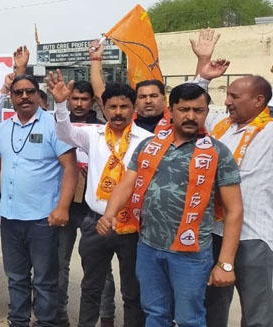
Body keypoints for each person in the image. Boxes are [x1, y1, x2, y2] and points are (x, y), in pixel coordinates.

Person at [100, 83, 243, 326]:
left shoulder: (217, 152)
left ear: (207, 112)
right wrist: (109, 213)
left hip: (191, 253)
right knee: (155, 313)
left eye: (198, 110)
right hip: (148, 247)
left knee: (189, 318)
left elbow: (234, 210)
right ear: (171, 110)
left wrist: (225, 263)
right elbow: (126, 184)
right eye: (184, 109)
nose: (191, 116)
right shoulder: (149, 146)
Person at [47, 71, 150, 327]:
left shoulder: (148, 141)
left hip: (132, 226)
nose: (118, 112)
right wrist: (60, 104)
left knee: (132, 290)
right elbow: (64, 133)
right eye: (112, 107)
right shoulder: (92, 135)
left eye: (124, 107)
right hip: (95, 223)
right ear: (103, 107)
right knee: (91, 286)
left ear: (134, 108)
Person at [0, 73, 78, 327]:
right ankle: (18, 321)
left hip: (43, 219)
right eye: (18, 92)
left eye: (30, 91)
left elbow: (70, 167)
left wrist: (63, 207)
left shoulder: (53, 125)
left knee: (45, 280)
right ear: (11, 98)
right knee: (16, 277)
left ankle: (45, 322)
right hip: (10, 216)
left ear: (38, 94)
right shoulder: (5, 128)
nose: (24, 96)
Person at [197, 64, 273, 326]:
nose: (227, 101)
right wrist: (203, 77)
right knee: (212, 306)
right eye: (227, 95)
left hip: (253, 237)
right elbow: (190, 104)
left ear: (259, 101)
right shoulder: (221, 125)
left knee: (257, 312)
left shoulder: (270, 133)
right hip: (214, 232)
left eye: (234, 96)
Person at [53, 80, 117, 327]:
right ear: (68, 100)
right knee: (59, 263)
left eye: (84, 99)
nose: (79, 104)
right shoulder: (58, 126)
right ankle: (59, 315)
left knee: (100, 267)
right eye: (75, 98)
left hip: (94, 207)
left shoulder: (104, 129)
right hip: (64, 205)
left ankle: (107, 315)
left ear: (93, 101)